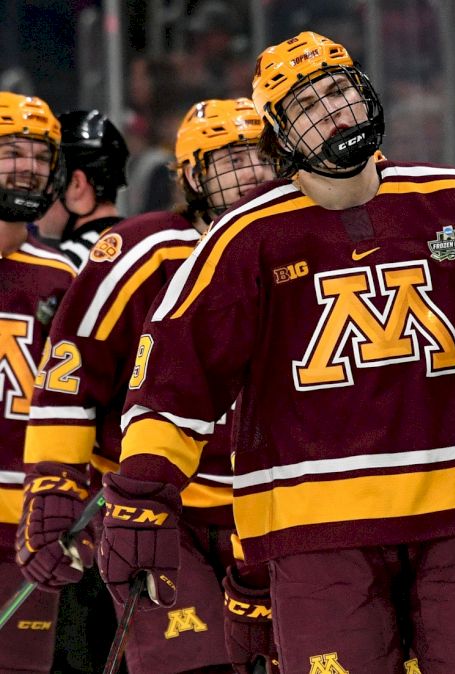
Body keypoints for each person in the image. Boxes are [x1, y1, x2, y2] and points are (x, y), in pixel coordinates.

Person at [96, 31, 455, 674]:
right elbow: (174, 379)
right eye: (308, 108)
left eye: (338, 93)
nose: (333, 116)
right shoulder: (242, 242)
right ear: (281, 140)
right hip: (318, 539)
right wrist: (141, 493)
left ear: (366, 96)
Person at [20, 97, 276, 674]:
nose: (255, 173)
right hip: (159, 508)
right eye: (234, 158)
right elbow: (70, 370)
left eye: (266, 156)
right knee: (190, 664)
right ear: (191, 174)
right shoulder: (140, 249)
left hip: (274, 510)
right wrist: (55, 479)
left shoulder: (303, 248)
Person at [0, 91, 76, 674]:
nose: (26, 165)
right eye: (10, 151)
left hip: (23, 527)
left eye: (38, 154)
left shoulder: (65, 278)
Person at [32, 110, 129, 270]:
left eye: (45, 180)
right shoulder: (146, 243)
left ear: (77, 184)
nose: (38, 192)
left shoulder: (65, 267)